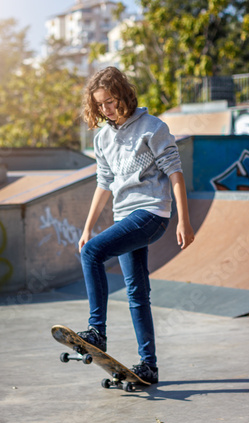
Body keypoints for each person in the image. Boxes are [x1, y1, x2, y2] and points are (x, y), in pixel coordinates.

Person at [76, 66, 195, 384]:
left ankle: (96, 330)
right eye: (100, 104)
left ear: (124, 95)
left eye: (111, 101)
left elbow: (175, 174)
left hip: (152, 213)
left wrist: (183, 220)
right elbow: (103, 183)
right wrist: (87, 228)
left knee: (93, 255)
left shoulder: (152, 127)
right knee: (137, 293)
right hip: (125, 216)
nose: (106, 109)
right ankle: (149, 365)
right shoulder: (102, 137)